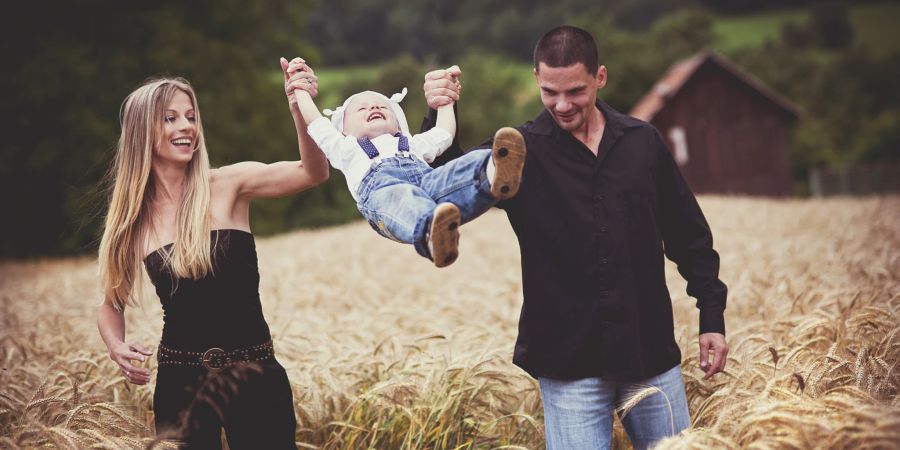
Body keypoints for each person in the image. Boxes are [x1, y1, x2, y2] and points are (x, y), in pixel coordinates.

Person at [422, 26, 729, 450]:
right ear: (536, 78)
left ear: (600, 77)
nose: (562, 105)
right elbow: (449, 184)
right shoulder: (516, 151)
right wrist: (440, 113)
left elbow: (688, 236)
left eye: (576, 92)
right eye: (550, 92)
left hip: (649, 354)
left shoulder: (643, 143)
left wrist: (711, 315)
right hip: (568, 366)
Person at [95, 58, 332, 449]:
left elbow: (313, 172)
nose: (187, 126)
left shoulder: (229, 184)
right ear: (141, 132)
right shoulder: (132, 224)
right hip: (180, 384)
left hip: (256, 375)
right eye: (170, 118)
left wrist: (298, 106)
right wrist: (115, 346)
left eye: (190, 116)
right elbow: (110, 304)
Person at [289, 61, 526, 267]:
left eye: (383, 107)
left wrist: (445, 101)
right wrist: (300, 88)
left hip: (426, 183)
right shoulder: (345, 148)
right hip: (384, 196)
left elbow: (444, 133)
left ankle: (493, 171)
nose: (374, 107)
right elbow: (315, 121)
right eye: (362, 108)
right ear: (343, 130)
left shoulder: (411, 143)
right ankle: (433, 233)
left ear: (399, 123)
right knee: (402, 197)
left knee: (455, 170)